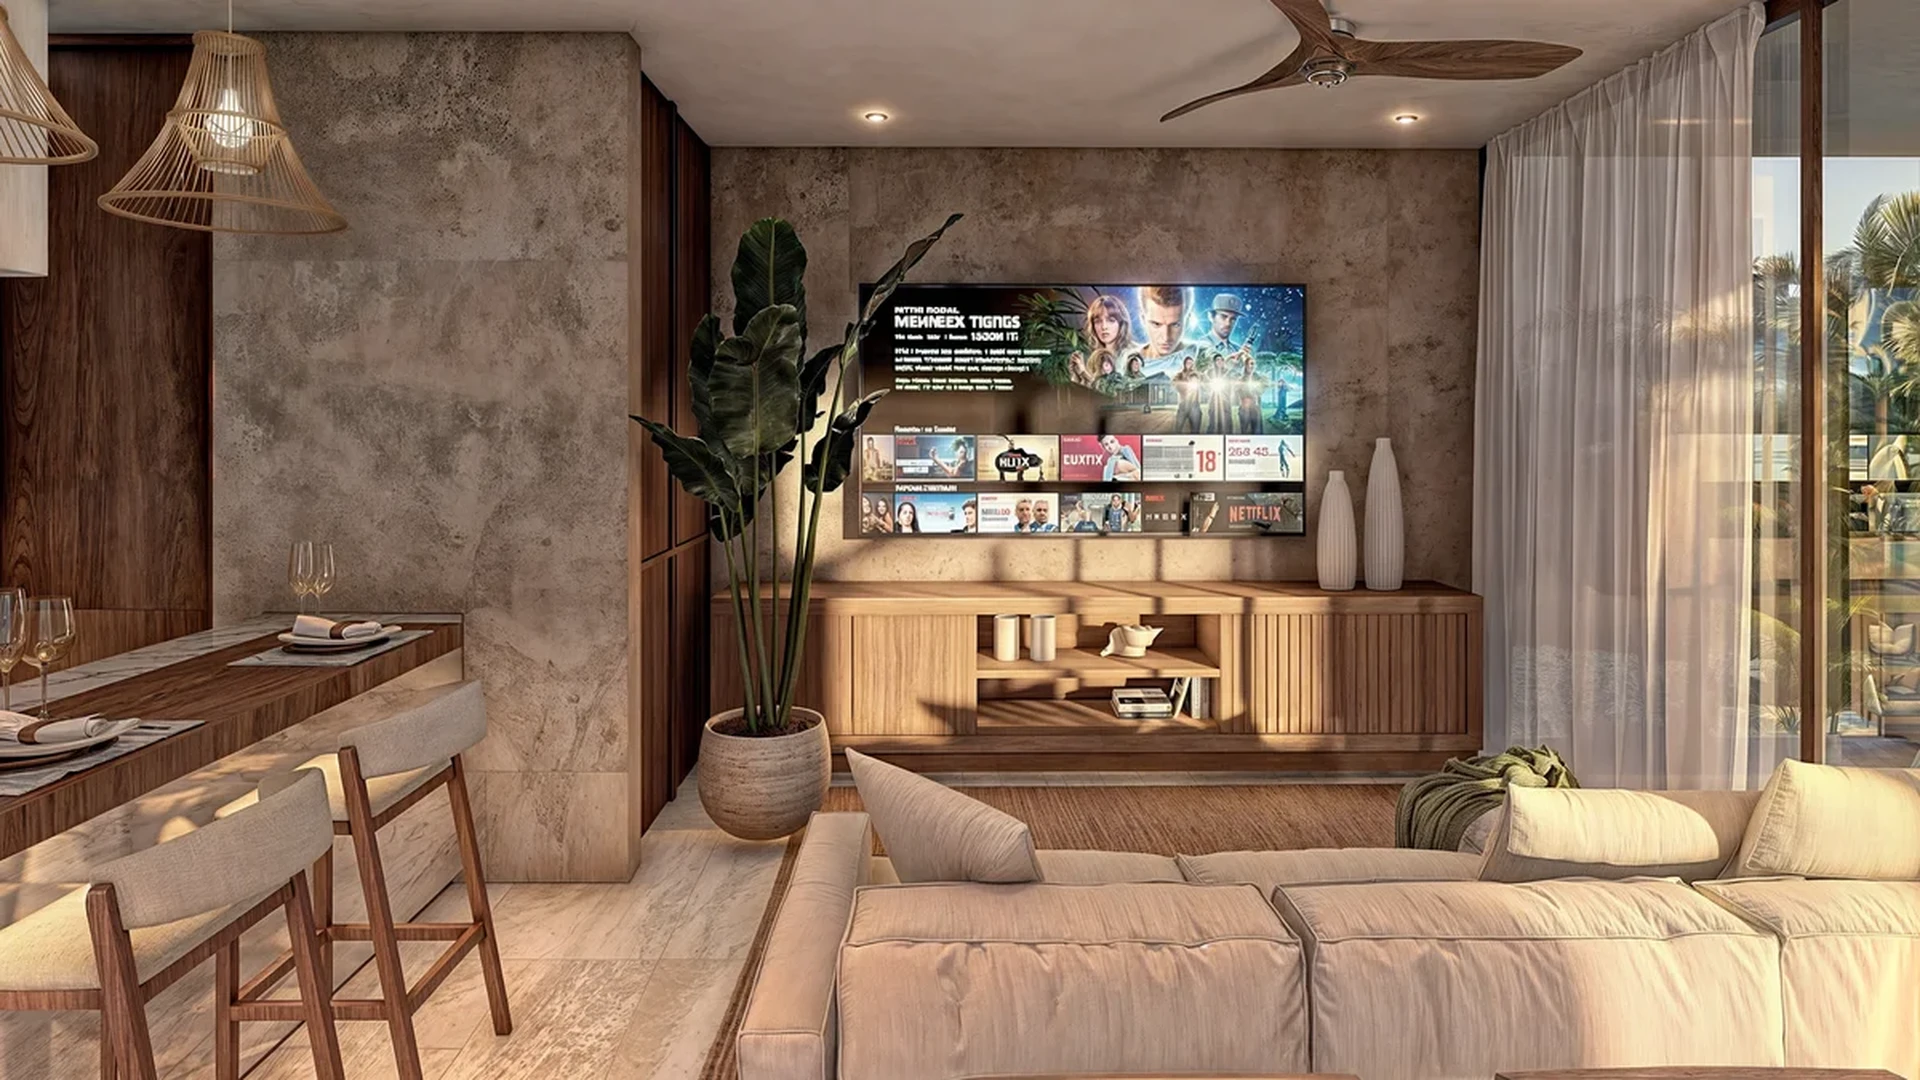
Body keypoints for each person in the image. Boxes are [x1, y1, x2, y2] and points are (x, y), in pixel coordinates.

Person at [1069, 294, 1134, 387]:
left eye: (1111, 320)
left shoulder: (1131, 355)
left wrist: (1083, 372)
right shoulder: (1096, 357)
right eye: (1098, 321)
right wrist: (1076, 375)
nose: (1104, 327)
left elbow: (1113, 393)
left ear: (1122, 323)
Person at [1172, 355, 1205, 433]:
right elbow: (1174, 383)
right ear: (1184, 364)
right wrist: (1183, 386)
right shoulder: (1179, 374)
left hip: (1195, 404)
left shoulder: (1197, 374)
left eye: (1191, 363)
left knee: (1196, 430)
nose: (1189, 364)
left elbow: (1205, 380)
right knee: (1178, 429)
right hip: (1183, 404)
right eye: (1188, 363)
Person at [1235, 355, 1266, 434]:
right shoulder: (1241, 379)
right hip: (1244, 408)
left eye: (1254, 364)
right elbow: (1237, 391)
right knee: (1245, 431)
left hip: (1255, 407)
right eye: (1251, 364)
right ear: (1246, 365)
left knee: (1257, 431)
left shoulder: (1258, 378)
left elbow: (1261, 390)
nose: (1253, 366)